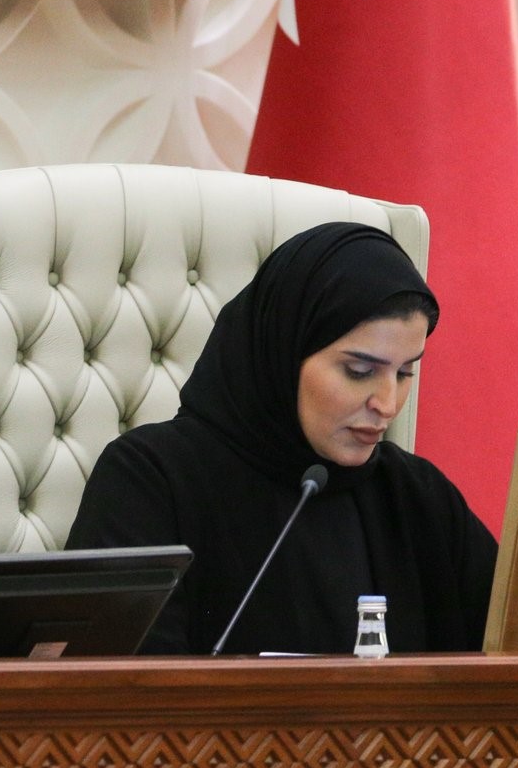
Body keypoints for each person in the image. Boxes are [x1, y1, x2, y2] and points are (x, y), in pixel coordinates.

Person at [66, 221, 495, 655]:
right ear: (285, 353)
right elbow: (121, 694)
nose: (387, 402)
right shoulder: (149, 478)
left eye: (404, 373)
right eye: (359, 371)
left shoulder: (415, 494)